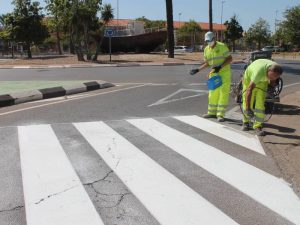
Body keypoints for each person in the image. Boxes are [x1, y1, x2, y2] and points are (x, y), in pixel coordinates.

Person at [190, 31, 232, 122]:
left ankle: (220, 114)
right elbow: (207, 63)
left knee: (223, 93)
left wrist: (220, 67)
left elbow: (230, 59)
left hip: (224, 73)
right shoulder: (206, 49)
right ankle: (211, 112)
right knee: (212, 93)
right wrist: (198, 69)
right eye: (207, 41)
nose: (209, 42)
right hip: (213, 73)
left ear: (214, 39)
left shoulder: (222, 46)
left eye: (210, 40)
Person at [241, 59, 283, 136]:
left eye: (276, 77)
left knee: (260, 103)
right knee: (248, 102)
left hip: (263, 82)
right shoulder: (258, 73)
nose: (274, 78)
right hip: (250, 79)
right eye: (272, 76)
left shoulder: (275, 69)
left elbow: (274, 78)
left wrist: (271, 86)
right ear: (268, 70)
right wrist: (247, 108)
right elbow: (249, 90)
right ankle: (246, 122)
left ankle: (258, 126)